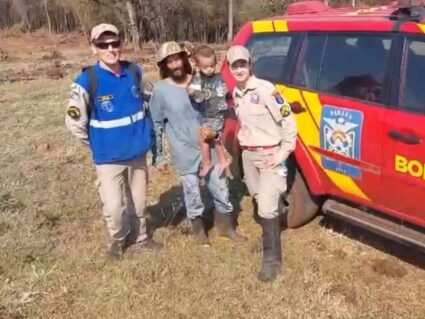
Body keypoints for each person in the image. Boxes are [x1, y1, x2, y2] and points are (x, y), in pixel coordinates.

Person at [65, 23, 162, 261]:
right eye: (103, 45)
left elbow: (154, 98)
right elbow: (74, 123)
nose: (110, 49)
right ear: (93, 48)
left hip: (137, 155)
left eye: (115, 43)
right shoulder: (86, 81)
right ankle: (119, 240)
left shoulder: (135, 71)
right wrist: (98, 145)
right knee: (114, 208)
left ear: (121, 44)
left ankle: (140, 239)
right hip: (108, 159)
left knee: (138, 204)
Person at [150, 41, 246, 246]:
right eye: (170, 61)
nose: (175, 65)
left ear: (185, 60)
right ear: (164, 65)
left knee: (220, 187)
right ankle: (199, 230)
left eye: (178, 59)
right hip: (183, 151)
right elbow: (156, 125)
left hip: (210, 147)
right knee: (192, 191)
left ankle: (226, 227)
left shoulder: (203, 80)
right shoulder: (160, 90)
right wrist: (158, 156)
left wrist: (218, 133)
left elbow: (220, 109)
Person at [227, 45, 297, 282]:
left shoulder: (266, 90)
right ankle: (270, 234)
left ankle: (272, 260)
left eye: (242, 64)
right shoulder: (237, 93)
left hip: (270, 156)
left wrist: (282, 153)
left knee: (267, 206)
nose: (239, 69)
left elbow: (288, 121)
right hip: (249, 156)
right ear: (229, 68)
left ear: (250, 65)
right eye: (234, 65)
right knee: (259, 199)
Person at [187, 45, 230, 177]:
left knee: (205, 139)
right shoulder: (198, 78)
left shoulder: (219, 77)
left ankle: (207, 163)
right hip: (205, 114)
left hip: (216, 114)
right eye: (205, 67)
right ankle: (222, 161)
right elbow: (191, 90)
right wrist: (191, 91)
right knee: (214, 138)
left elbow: (225, 89)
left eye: (212, 65)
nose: (209, 69)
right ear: (198, 66)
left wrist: (226, 90)